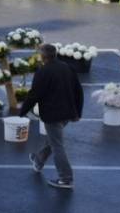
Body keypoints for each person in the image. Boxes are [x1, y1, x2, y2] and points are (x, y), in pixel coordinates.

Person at [19, 43, 84, 189]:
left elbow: (34, 94)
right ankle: (39, 160)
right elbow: (78, 91)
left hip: (53, 114)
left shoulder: (43, 71)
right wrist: (78, 112)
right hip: (68, 113)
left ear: (42, 56)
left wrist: (22, 112)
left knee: (57, 145)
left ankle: (66, 178)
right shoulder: (68, 67)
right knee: (53, 140)